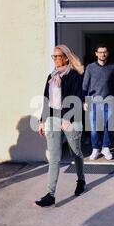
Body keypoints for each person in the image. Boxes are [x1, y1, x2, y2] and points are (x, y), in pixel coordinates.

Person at [35, 45, 86, 207]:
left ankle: (81, 180)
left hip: (70, 118)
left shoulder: (74, 75)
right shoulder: (51, 76)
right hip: (52, 117)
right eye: (54, 56)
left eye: (58, 56)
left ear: (66, 57)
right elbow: (46, 99)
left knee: (76, 152)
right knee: (54, 157)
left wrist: (67, 118)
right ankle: (50, 194)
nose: (55, 59)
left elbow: (77, 98)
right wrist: (42, 121)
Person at [82, 43, 114, 160]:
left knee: (108, 126)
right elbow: (85, 85)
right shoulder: (90, 67)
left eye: (105, 52)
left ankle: (106, 147)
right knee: (94, 127)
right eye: (100, 52)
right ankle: (95, 149)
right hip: (93, 102)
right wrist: (85, 101)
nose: (103, 54)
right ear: (96, 54)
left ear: (107, 53)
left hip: (108, 101)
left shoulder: (112, 67)